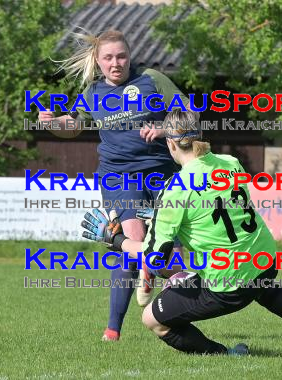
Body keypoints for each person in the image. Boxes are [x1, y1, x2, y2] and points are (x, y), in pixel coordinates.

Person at [81, 109, 282, 356]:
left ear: (170, 143)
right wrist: (164, 217)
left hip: (228, 284)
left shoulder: (175, 189)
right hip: (263, 261)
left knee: (152, 318)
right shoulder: (231, 163)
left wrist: (116, 239)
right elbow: (216, 208)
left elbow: (155, 257)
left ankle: (225, 354)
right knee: (263, 287)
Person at [39, 29, 193, 341]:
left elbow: (192, 114)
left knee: (172, 256)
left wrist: (165, 129)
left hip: (163, 173)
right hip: (119, 175)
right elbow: (74, 126)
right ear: (98, 61)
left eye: (121, 56)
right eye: (108, 57)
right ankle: (113, 329)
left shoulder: (152, 79)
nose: (115, 63)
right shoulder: (92, 93)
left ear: (129, 56)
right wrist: (54, 124)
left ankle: (165, 299)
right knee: (132, 240)